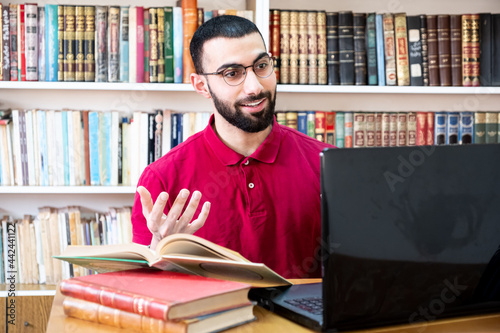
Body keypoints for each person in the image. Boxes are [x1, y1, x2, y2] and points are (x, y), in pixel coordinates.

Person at [131, 15, 333, 278]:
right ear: (201, 85)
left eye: (261, 66)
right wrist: (159, 253)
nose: (255, 87)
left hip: (306, 320)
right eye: (232, 73)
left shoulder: (328, 164)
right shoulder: (161, 180)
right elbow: (144, 291)